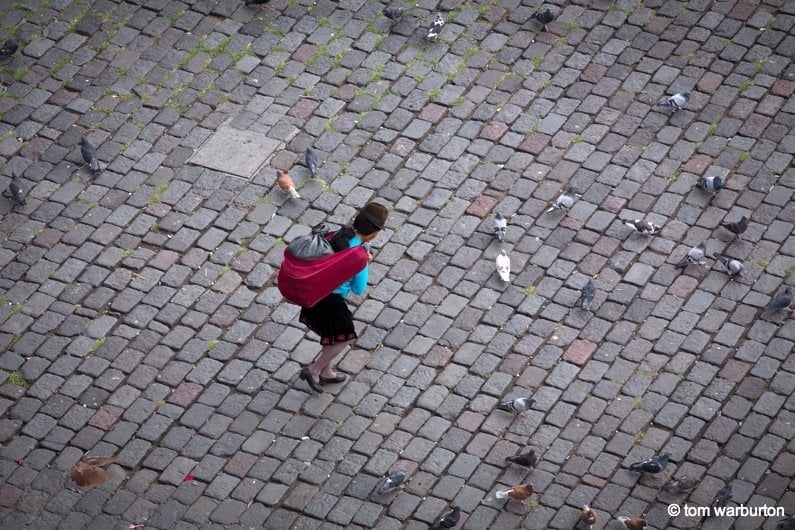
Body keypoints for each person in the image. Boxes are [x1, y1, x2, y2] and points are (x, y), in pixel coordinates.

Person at [298, 201, 389, 393]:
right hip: (331, 302)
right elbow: (358, 289)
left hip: (316, 292)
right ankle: (314, 370)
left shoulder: (340, 234)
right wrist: (365, 263)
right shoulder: (360, 256)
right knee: (344, 338)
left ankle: (326, 371)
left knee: (330, 335)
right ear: (373, 232)